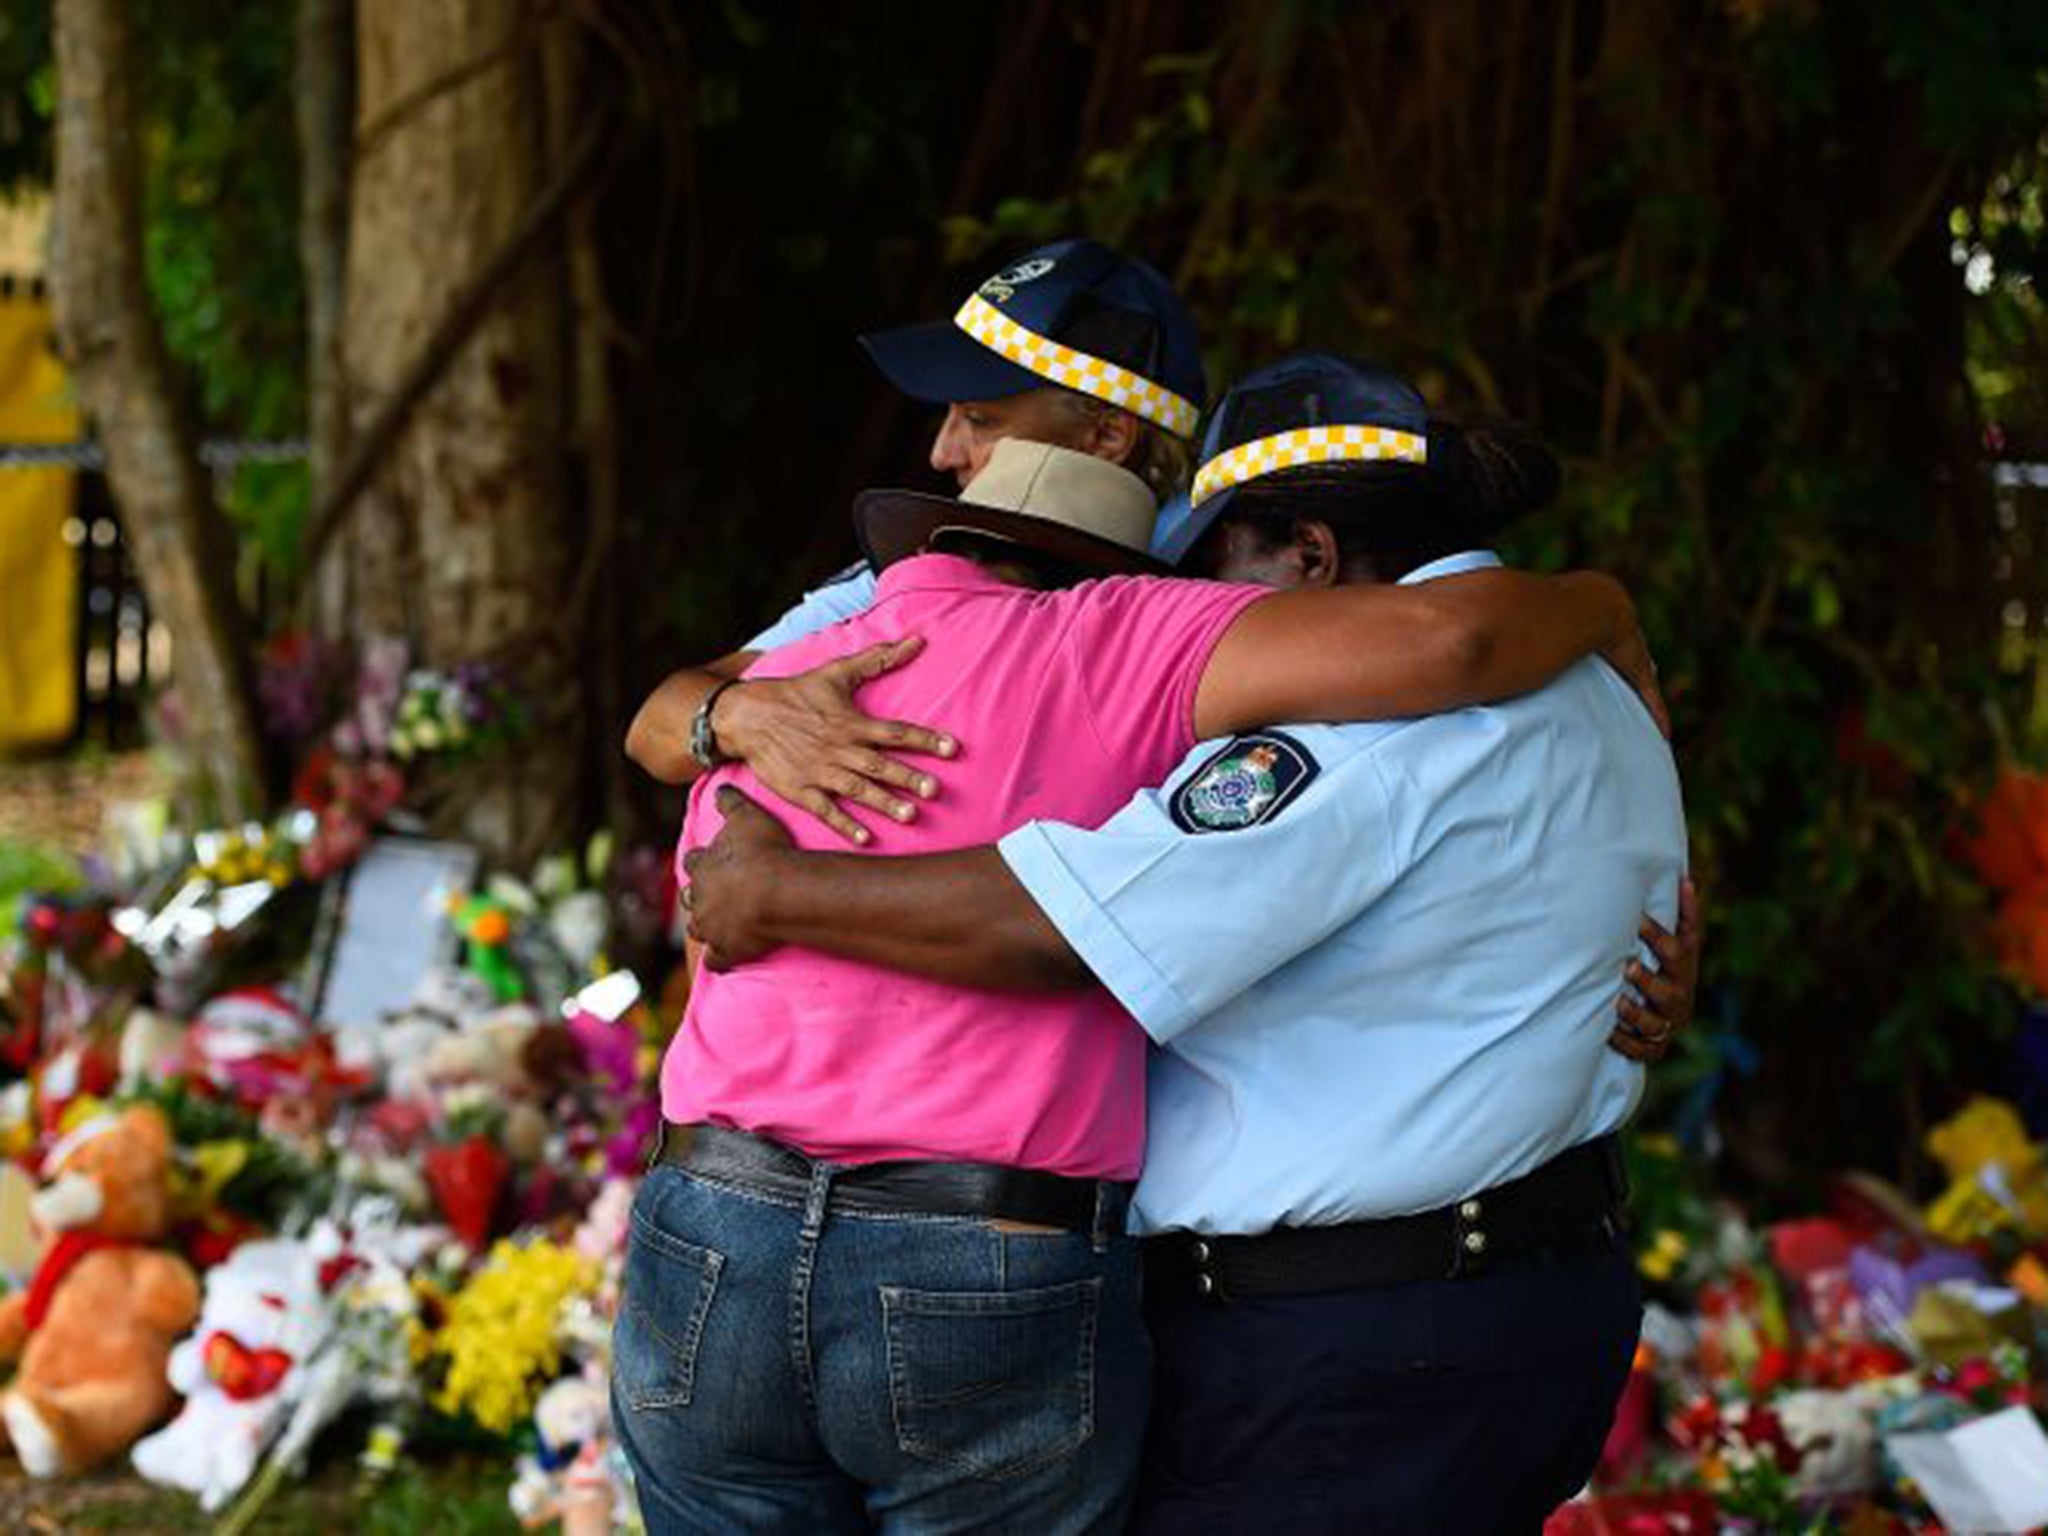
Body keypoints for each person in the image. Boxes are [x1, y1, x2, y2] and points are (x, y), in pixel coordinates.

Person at [679, 355, 1693, 1534]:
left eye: (1216, 570)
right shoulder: (1603, 689)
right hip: (1539, 1299)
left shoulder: (1360, 740)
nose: (1202, 620)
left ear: (1306, 560)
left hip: (1345, 1356)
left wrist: (781, 890)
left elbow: (1057, 926)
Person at [624, 237, 1208, 843]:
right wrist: (741, 715)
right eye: (950, 416)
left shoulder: (1213, 586)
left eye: (980, 421)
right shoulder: (918, 566)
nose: (941, 453)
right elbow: (654, 727)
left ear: (1108, 437)